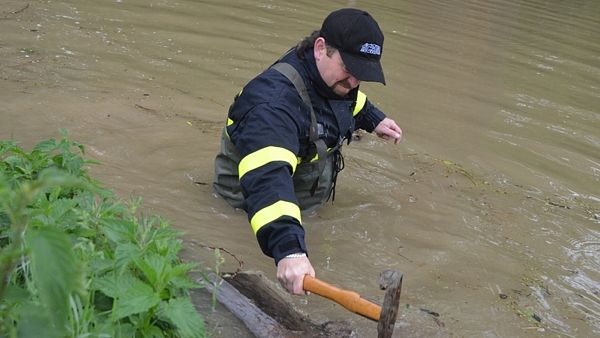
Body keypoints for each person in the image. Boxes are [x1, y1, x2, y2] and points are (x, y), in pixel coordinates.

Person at [213, 8, 402, 295]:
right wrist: (289, 249)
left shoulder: (328, 77)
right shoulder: (274, 105)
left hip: (298, 196)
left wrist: (373, 118)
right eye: (350, 70)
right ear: (320, 48)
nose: (353, 82)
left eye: (361, 74)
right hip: (248, 206)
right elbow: (268, 179)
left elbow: (345, 98)